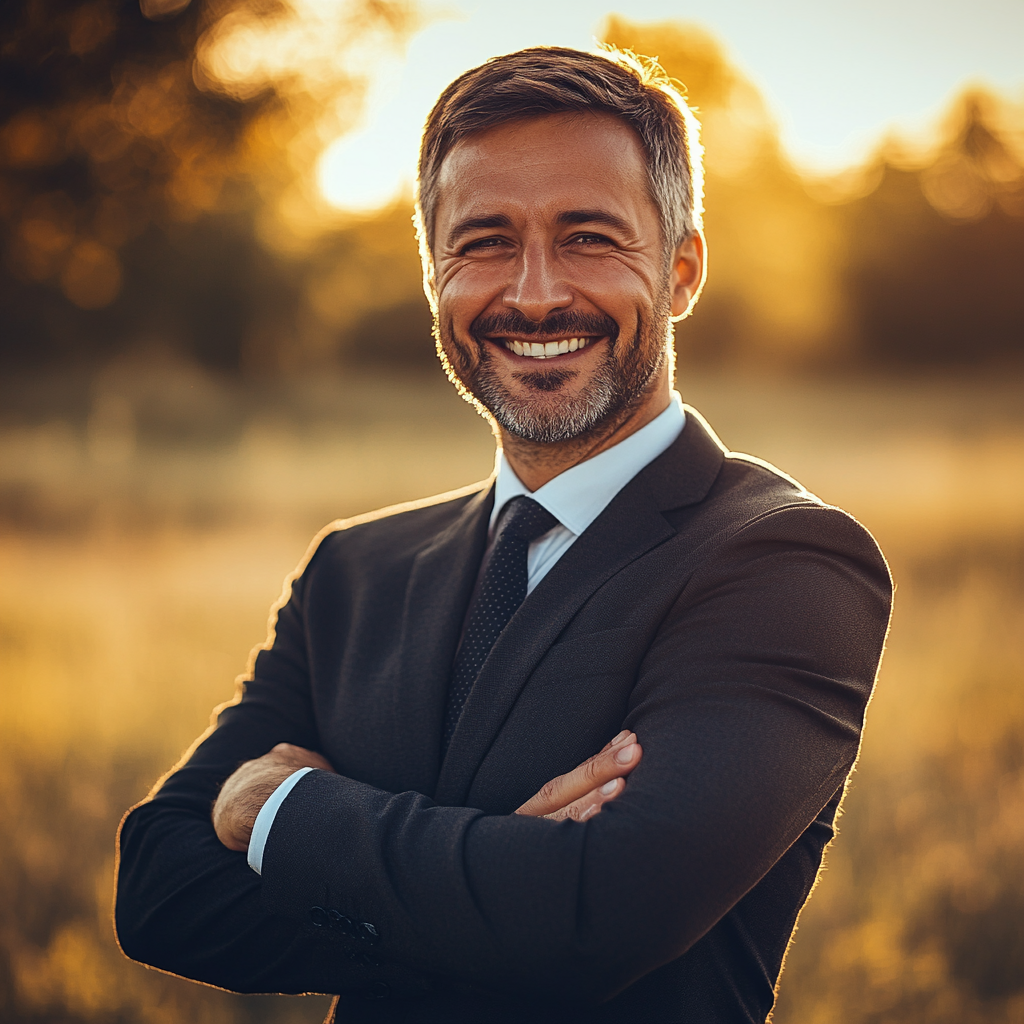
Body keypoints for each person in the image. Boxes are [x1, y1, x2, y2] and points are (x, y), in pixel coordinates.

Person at [114, 46, 892, 1024]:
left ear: (682, 266)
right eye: (484, 240)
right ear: (434, 269)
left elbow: (589, 920)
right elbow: (157, 888)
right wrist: (492, 884)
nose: (532, 295)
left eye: (587, 237)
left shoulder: (785, 563)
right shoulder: (353, 571)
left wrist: (280, 811)